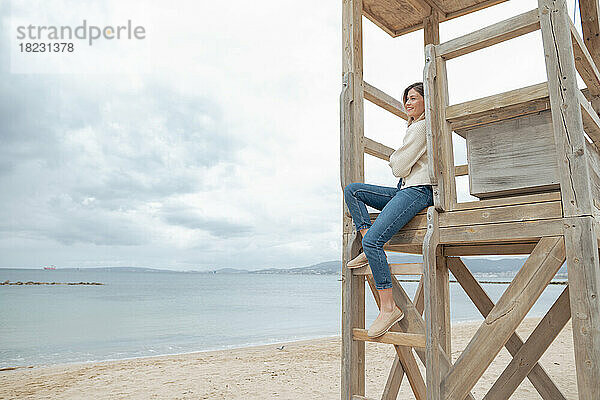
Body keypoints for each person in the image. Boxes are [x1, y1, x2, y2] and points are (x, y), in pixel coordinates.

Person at [343, 82, 433, 338]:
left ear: (427, 100)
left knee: (374, 243)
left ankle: (388, 308)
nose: (407, 103)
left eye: (413, 98)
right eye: (406, 99)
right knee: (353, 190)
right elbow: (402, 167)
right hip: (406, 190)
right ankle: (365, 242)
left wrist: (396, 158)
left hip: (418, 190)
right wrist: (399, 159)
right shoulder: (416, 127)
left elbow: (398, 166)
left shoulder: (421, 127)